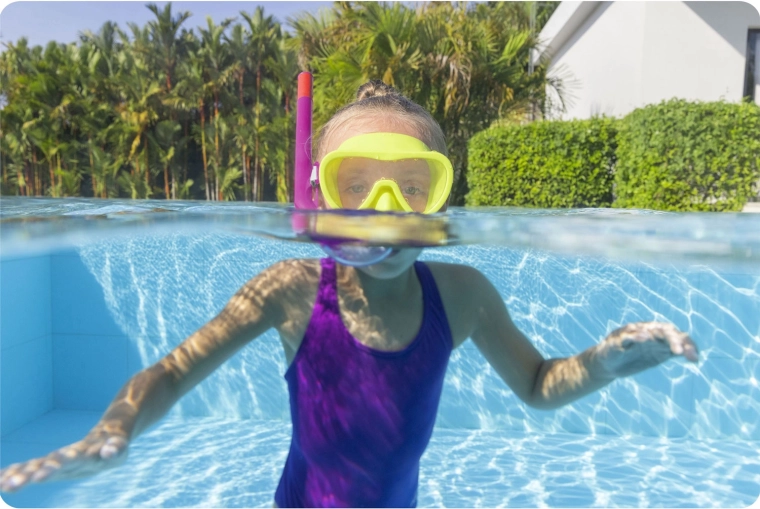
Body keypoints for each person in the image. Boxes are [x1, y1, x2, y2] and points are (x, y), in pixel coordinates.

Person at [0, 81, 699, 508]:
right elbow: (174, 372)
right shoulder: (292, 289)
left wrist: (605, 361)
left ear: (441, 198)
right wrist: (114, 428)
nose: (384, 211)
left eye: (413, 187)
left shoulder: (463, 294)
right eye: (354, 186)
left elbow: (540, 384)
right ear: (318, 198)